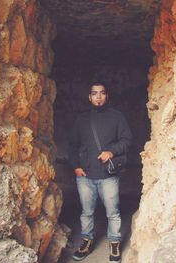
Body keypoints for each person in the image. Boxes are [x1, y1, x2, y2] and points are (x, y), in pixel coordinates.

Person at [68, 83, 132, 262]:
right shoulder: (81, 119)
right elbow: (72, 145)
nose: (98, 97)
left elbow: (127, 140)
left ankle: (114, 243)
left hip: (108, 176)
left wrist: (112, 151)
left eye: (102, 93)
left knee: (113, 213)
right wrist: (75, 166)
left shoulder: (117, 117)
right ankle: (86, 241)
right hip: (85, 176)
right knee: (86, 212)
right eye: (94, 94)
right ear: (89, 97)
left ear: (107, 96)